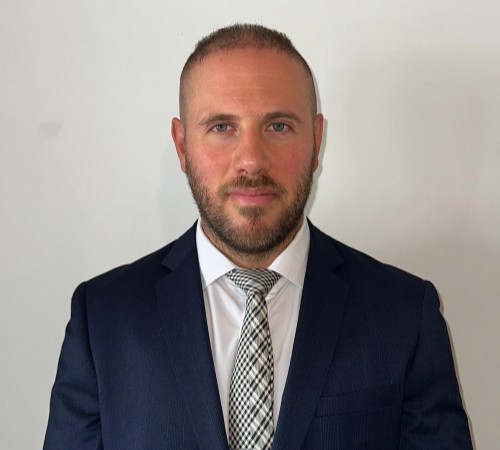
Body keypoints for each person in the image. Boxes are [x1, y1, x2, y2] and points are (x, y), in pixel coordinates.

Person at [44, 24, 473, 449]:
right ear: (182, 146)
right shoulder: (103, 320)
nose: (251, 160)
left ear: (316, 140)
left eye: (278, 126)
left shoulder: (404, 316)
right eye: (222, 127)